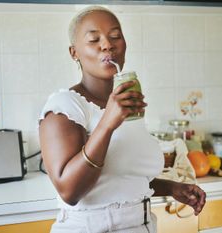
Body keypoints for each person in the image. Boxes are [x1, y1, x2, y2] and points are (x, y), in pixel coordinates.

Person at [39, 6, 206, 233]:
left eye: (115, 36)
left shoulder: (125, 106)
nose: (107, 44)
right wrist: (107, 123)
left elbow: (120, 179)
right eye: (93, 39)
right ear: (74, 52)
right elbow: (70, 192)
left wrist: (173, 188)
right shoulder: (65, 106)